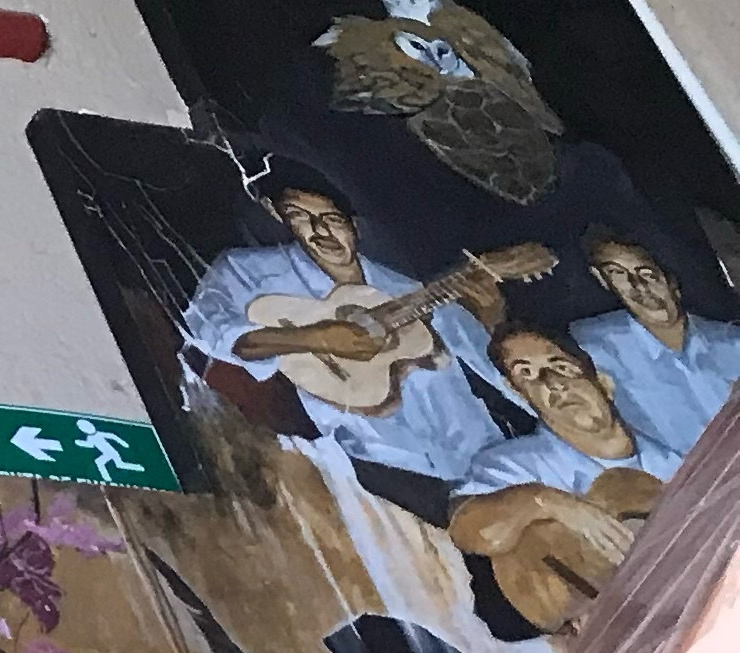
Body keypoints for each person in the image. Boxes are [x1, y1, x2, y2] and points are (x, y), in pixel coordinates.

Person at [180, 171, 519, 501]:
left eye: (333, 219)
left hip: (481, 465)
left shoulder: (409, 290)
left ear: (355, 226)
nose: (320, 230)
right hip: (368, 474)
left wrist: (492, 319)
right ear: (277, 215)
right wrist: (314, 339)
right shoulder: (247, 271)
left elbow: (503, 372)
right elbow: (204, 326)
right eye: (300, 217)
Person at [451, 327, 689, 630]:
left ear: (603, 381)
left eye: (561, 366)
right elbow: (469, 530)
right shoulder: (514, 463)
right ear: (519, 394)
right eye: (527, 375)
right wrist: (550, 502)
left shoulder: (677, 464)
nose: (553, 383)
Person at [568, 228, 740, 454]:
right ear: (602, 279)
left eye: (648, 273)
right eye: (618, 273)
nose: (639, 286)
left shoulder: (731, 341)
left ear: (672, 280)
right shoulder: (590, 345)